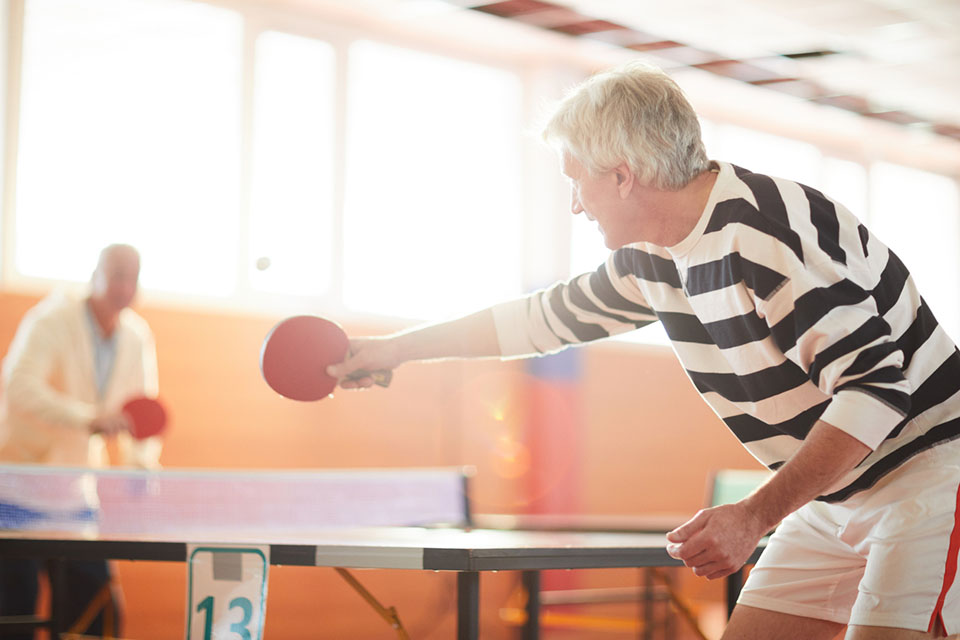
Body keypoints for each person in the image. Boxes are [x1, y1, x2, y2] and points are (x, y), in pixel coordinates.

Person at [327, 61, 960, 639]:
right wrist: (395, 350)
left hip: (930, 474)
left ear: (623, 176)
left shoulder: (762, 234)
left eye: (577, 182)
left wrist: (752, 517)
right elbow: (541, 321)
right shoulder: (651, 257)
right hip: (832, 491)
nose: (575, 205)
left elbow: (876, 391)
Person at [0, 243, 161, 638]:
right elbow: (18, 387)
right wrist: (89, 418)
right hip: (16, 493)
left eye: (132, 277)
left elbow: (139, 411)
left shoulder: (136, 337)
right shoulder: (51, 319)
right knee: (14, 618)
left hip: (74, 496)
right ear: (96, 276)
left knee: (95, 620)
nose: (124, 287)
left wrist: (141, 466)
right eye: (117, 275)